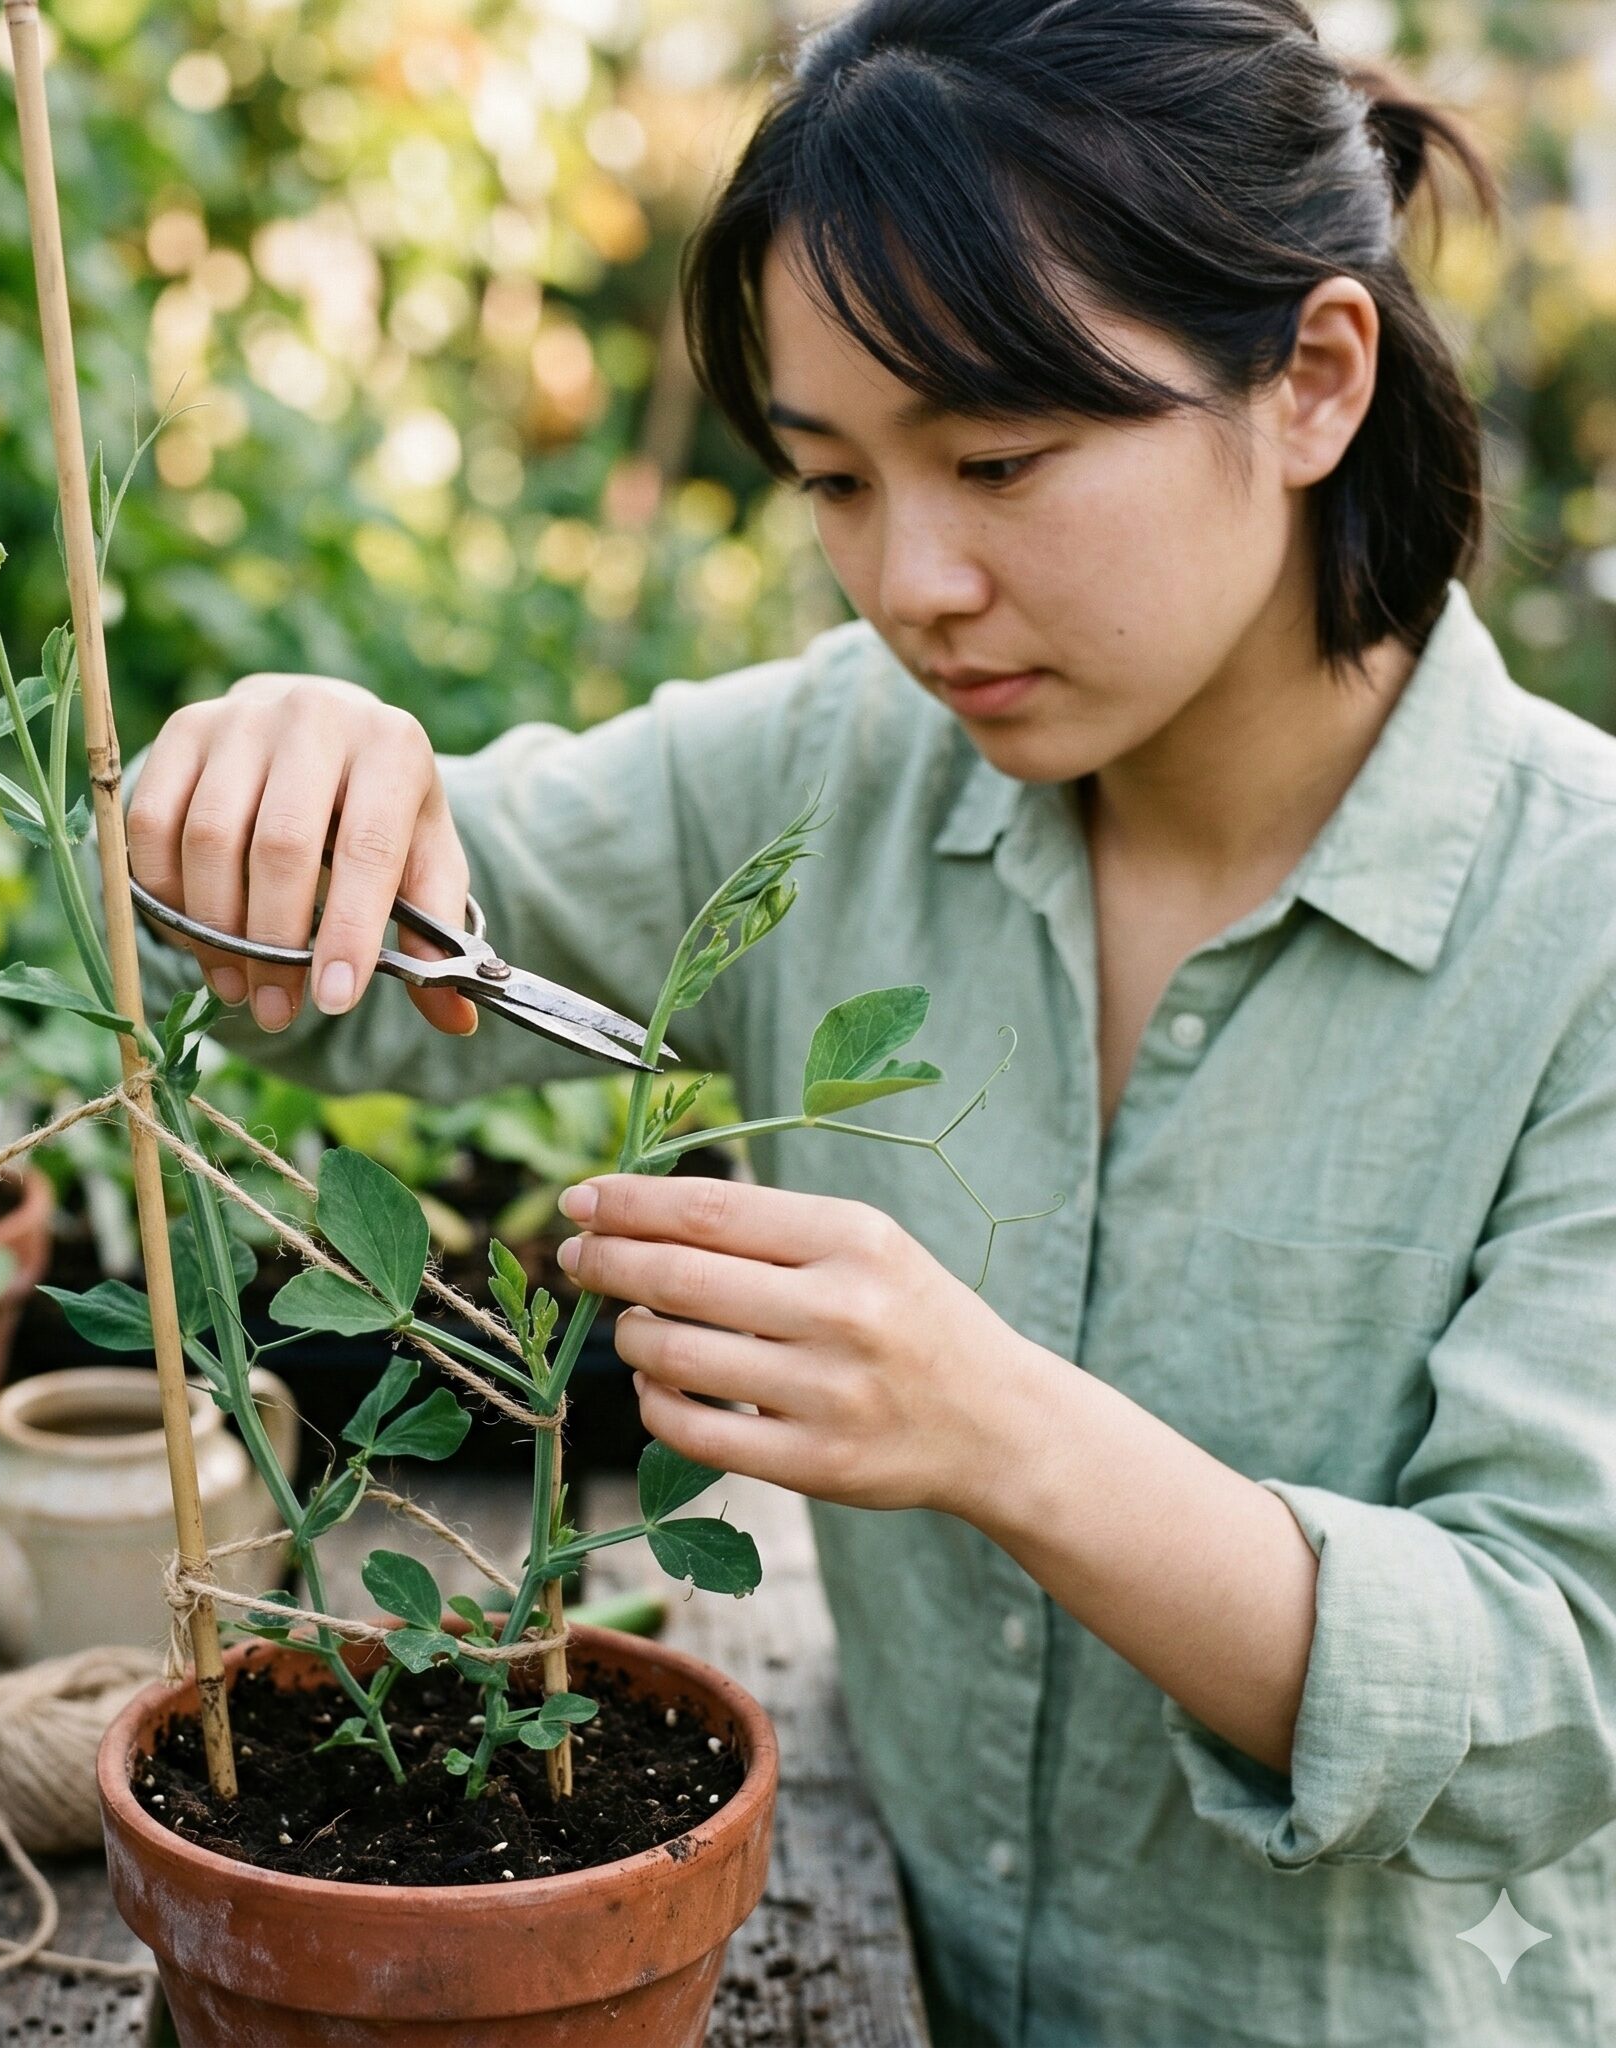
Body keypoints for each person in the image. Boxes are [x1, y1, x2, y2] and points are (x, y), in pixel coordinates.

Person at [126, 3, 1616, 2041]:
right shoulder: (833, 769)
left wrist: (1001, 1431)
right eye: (831, 477)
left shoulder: (1576, 923)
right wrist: (276, 782)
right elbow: (341, 970)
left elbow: (1551, 1691)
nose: (911, 582)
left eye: (998, 460)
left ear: (1312, 379)